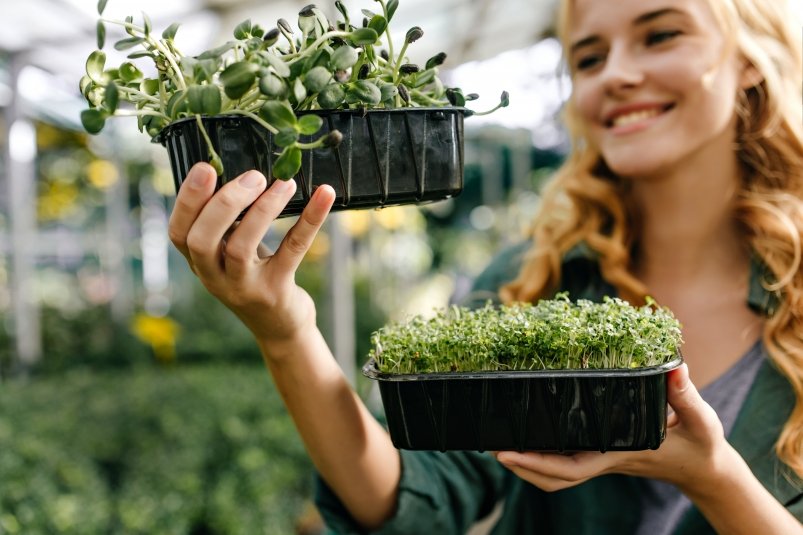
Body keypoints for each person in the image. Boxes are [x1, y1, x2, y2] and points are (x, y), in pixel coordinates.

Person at [167, 0, 803, 531]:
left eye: (660, 35)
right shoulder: (532, 278)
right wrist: (286, 333)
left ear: (749, 59)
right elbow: (413, 500)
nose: (617, 74)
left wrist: (714, 478)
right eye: (588, 57)